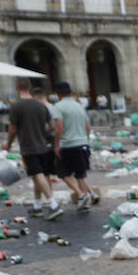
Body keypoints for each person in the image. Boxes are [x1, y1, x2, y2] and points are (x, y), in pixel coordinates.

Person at [6, 77, 62, 219]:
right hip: (43, 146)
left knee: (37, 174)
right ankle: (37, 206)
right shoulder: (41, 105)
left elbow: (12, 129)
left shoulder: (16, 107)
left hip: (28, 147)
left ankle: (53, 204)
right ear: (30, 88)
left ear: (17, 88)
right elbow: (52, 126)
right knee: (39, 175)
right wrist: (41, 132)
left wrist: (8, 144)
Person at [52, 81, 99, 211]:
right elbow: (88, 126)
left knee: (62, 172)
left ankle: (81, 194)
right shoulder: (79, 106)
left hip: (68, 144)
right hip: (82, 144)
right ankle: (85, 202)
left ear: (58, 94)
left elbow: (59, 127)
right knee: (80, 174)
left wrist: (56, 145)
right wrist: (85, 139)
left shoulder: (58, 106)